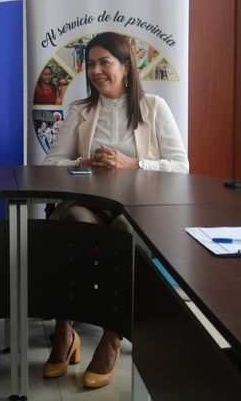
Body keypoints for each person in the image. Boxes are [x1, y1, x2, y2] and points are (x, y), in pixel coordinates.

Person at [42, 31, 188, 389]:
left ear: (126, 66)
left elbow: (181, 166)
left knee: (126, 233)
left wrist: (133, 163)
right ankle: (64, 330)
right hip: (88, 204)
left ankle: (112, 336)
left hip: (138, 208)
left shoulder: (154, 107)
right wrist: (84, 162)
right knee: (73, 224)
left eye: (104, 62)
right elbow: (50, 165)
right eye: (90, 64)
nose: (96, 71)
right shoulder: (81, 110)